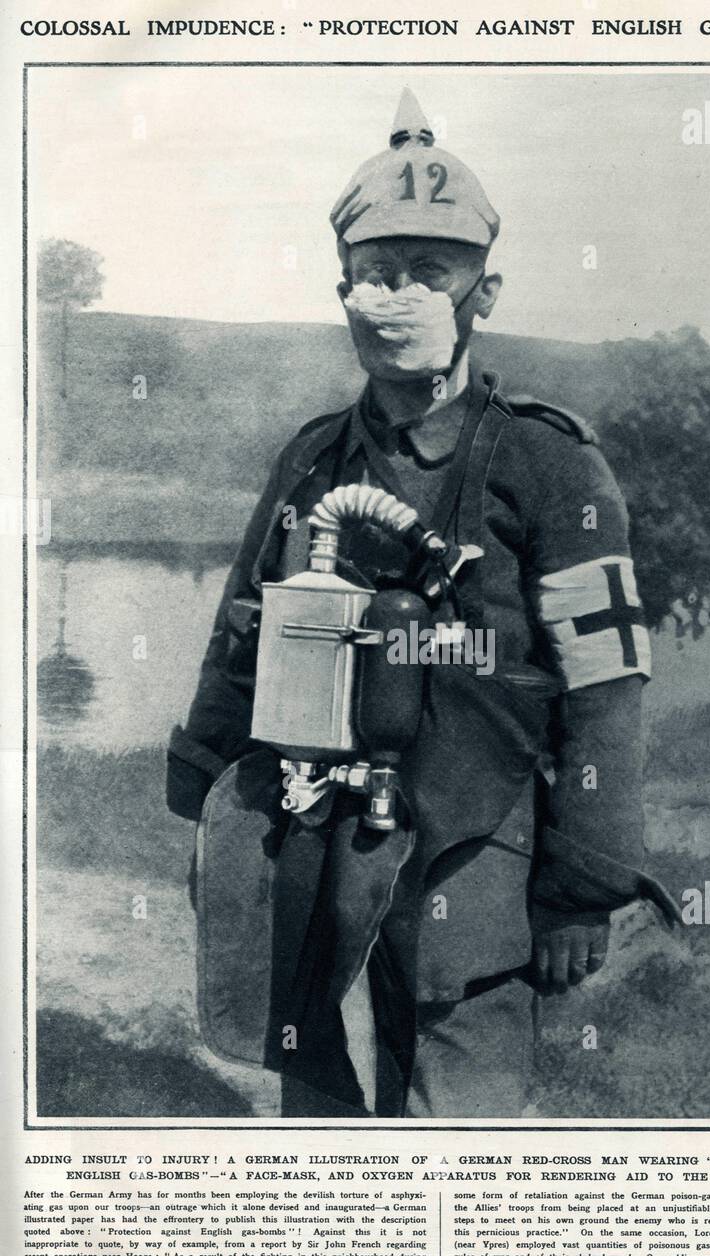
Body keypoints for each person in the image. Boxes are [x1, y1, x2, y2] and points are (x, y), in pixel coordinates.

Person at [166, 89, 676, 1119]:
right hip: (311, 837)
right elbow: (242, 632)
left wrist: (583, 885)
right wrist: (213, 801)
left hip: (474, 845)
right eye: (377, 272)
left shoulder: (546, 461)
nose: (397, 295)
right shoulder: (314, 458)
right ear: (341, 287)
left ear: (482, 293)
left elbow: (605, 687)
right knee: (312, 1089)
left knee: (463, 1117)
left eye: (429, 272)